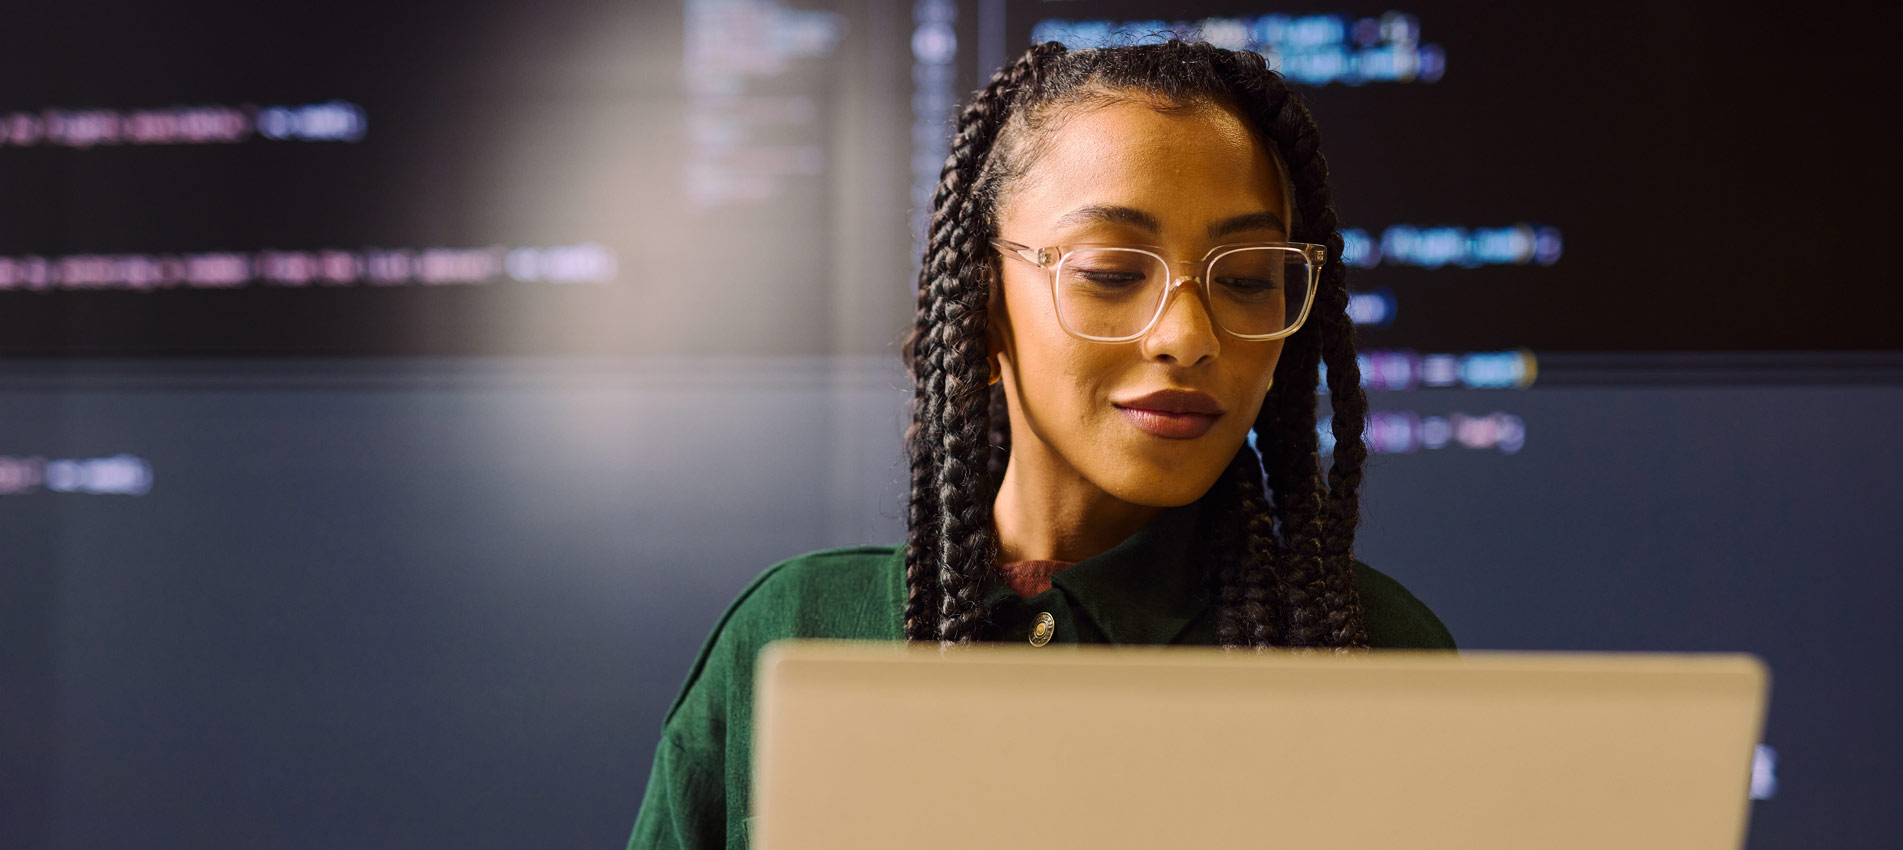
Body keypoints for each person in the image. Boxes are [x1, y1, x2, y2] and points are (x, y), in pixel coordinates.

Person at [626, 39, 1454, 849]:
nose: (1187, 335)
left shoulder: (1363, 648)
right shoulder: (796, 632)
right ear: (985, 304)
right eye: (1109, 271)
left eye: (1243, 280)